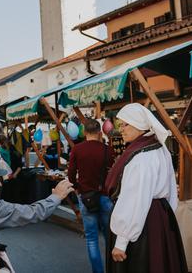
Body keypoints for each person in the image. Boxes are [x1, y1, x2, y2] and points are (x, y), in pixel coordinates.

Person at [104, 103, 187, 273]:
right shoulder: (158, 148)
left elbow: (135, 200)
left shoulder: (141, 157)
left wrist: (121, 242)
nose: (122, 130)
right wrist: (167, 217)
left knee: (143, 265)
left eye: (126, 124)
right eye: (120, 125)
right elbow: (171, 189)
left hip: (143, 222)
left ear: (140, 125)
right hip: (159, 216)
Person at [68, 117, 114, 273]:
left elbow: (71, 174)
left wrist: (77, 187)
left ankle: (98, 271)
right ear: (100, 132)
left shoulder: (77, 149)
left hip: (86, 196)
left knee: (92, 238)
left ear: (85, 132)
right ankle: (113, 268)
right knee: (110, 237)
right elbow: (113, 173)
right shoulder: (108, 150)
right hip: (105, 196)